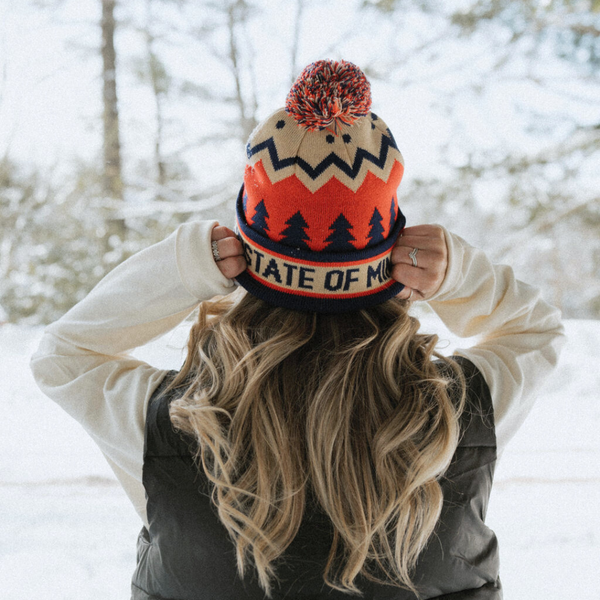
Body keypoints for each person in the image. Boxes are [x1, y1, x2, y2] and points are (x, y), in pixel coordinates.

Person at [31, 60, 565, 600]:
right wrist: (459, 275)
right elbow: (538, 332)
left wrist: (186, 266)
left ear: (245, 261)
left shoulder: (167, 422)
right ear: (390, 261)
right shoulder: (460, 411)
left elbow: (61, 354)